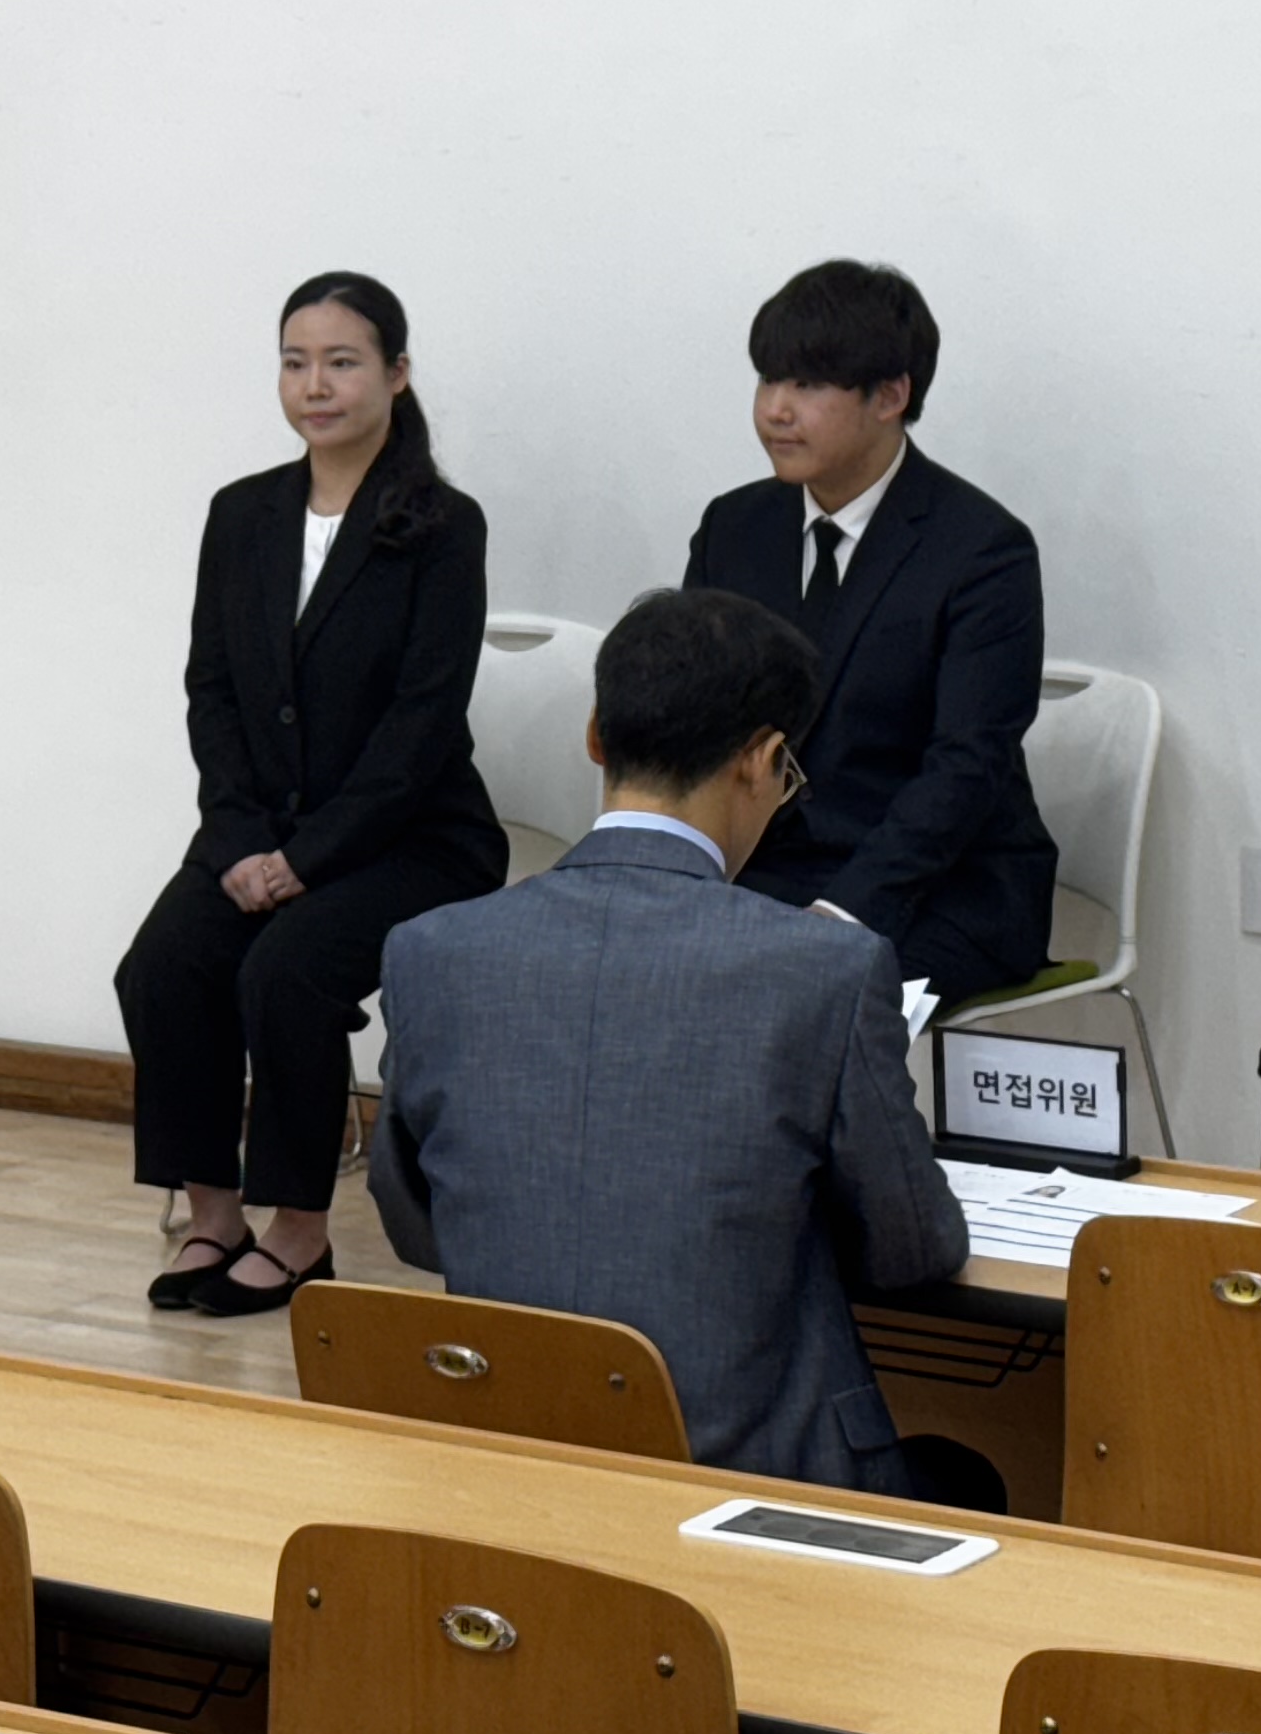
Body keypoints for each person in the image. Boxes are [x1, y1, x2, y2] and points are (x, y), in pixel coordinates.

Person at [368, 587, 970, 1493]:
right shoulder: (828, 969)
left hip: (505, 1469)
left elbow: (417, 1224)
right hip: (752, 1486)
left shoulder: (431, 951)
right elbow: (914, 1249)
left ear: (595, 736)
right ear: (761, 760)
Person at [115, 272, 505, 1316]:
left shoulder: (442, 525)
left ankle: (300, 1234)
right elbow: (211, 690)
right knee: (163, 967)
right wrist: (241, 838)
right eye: (296, 363)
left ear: (397, 374)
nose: (315, 385)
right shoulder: (242, 513)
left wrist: (306, 859)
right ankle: (215, 1218)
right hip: (259, 832)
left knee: (285, 972)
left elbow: (422, 724)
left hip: (411, 837)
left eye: (342, 362)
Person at [678, 259, 1054, 1001]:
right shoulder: (735, 527)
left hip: (940, 888)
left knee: (779, 991)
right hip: (765, 872)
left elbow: (967, 766)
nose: (775, 410)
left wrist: (844, 912)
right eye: (768, 380)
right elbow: (691, 721)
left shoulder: (983, 551)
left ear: (890, 395)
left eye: (807, 385)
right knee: (624, 959)